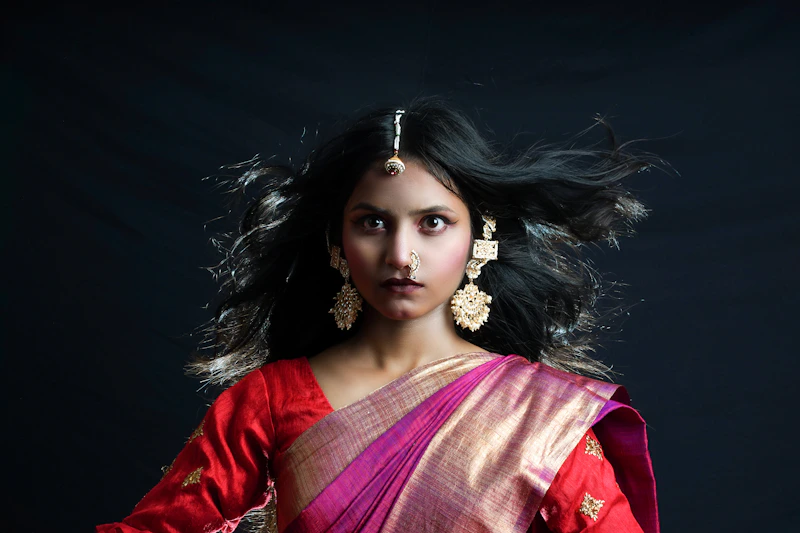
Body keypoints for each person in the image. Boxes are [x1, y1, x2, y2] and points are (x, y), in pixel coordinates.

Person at [96, 97, 661, 533]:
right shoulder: (271, 400)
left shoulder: (539, 414)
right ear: (337, 241)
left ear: (479, 238)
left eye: (433, 222)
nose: (399, 255)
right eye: (372, 222)